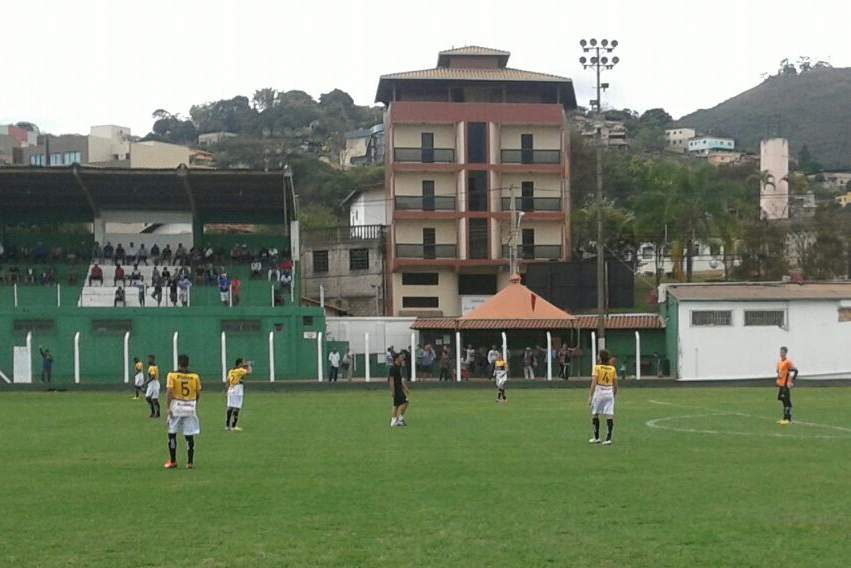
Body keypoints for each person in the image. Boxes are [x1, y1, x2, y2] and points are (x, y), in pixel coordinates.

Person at [164, 354, 202, 469]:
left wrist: (168, 407)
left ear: (178, 363)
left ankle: (173, 461)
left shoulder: (172, 375)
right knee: (189, 435)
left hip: (177, 406)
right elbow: (198, 393)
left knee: (172, 433)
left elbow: (169, 391)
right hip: (190, 406)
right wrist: (193, 403)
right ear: (188, 363)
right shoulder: (195, 376)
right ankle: (190, 462)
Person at [588, 350, 618, 446]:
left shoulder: (597, 367)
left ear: (600, 357)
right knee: (609, 415)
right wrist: (614, 395)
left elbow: (594, 382)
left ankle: (596, 437)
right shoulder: (612, 369)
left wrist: (590, 396)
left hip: (599, 391)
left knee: (595, 414)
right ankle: (608, 438)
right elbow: (615, 384)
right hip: (609, 391)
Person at [226, 358, 251, 432]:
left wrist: (226, 390)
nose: (243, 364)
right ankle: (234, 426)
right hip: (237, 389)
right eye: (242, 363)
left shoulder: (231, 371)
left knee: (230, 407)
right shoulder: (240, 370)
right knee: (237, 407)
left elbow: (228, 381)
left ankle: (227, 425)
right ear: (239, 364)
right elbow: (249, 372)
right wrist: (248, 365)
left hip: (231, 388)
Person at [776, 346, 799, 425]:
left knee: (786, 401)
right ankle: (785, 418)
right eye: (780, 352)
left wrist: (791, 381)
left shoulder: (788, 362)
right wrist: (778, 379)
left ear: (786, 353)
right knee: (783, 400)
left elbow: (795, 371)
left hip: (786, 385)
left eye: (782, 352)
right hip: (781, 385)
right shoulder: (779, 362)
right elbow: (779, 372)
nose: (781, 353)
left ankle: (788, 418)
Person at [388, 353, 410, 427]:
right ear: (397, 358)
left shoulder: (399, 366)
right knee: (404, 402)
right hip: (396, 389)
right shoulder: (393, 368)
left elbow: (400, 379)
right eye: (400, 357)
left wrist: (405, 388)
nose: (402, 358)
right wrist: (392, 391)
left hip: (399, 388)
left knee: (396, 405)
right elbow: (391, 380)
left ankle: (394, 421)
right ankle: (398, 419)